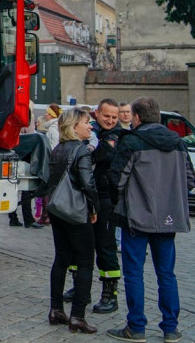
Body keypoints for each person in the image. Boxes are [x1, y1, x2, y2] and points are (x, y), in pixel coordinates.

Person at [105, 97, 195, 343]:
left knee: (134, 273)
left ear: (136, 117)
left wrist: (125, 201)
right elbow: (190, 180)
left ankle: (136, 327)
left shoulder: (132, 141)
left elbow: (117, 179)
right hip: (168, 218)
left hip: (136, 217)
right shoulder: (177, 143)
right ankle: (170, 329)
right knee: (167, 274)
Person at [40, 106, 99, 334]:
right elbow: (87, 182)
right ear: (75, 127)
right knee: (85, 262)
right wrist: (94, 206)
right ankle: (78, 316)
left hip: (57, 209)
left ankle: (56, 309)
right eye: (86, 122)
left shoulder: (59, 149)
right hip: (76, 211)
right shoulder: (81, 151)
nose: (90, 126)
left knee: (61, 258)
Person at [88, 98, 125, 315]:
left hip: (106, 200)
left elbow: (105, 155)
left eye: (114, 117)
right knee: (82, 246)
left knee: (105, 247)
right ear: (97, 114)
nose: (110, 120)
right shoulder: (92, 130)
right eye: (106, 116)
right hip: (87, 197)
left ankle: (110, 295)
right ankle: (78, 286)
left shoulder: (117, 136)